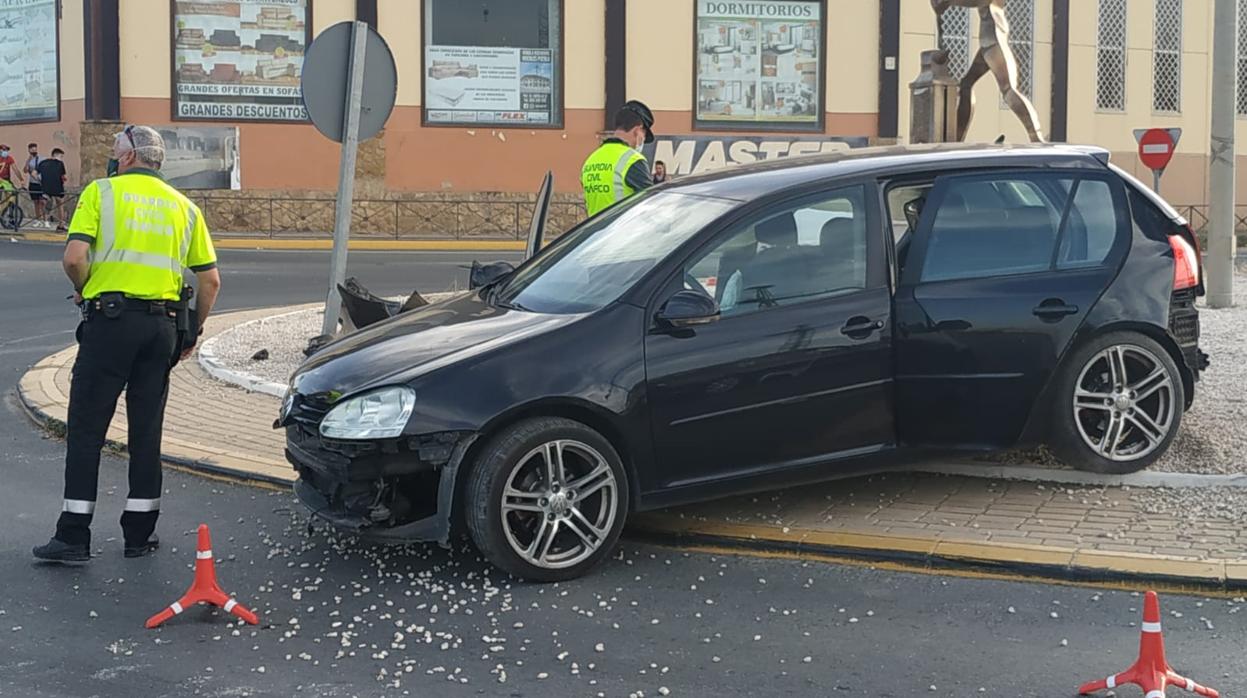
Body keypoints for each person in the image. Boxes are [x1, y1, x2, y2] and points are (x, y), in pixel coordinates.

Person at [33, 125, 222, 563]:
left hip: (110, 324)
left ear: (130, 156)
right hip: (161, 329)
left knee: (86, 429)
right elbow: (209, 280)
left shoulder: (101, 193)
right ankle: (139, 535)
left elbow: (75, 258)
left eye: (117, 151)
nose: (113, 157)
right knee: (146, 430)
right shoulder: (185, 207)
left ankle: (73, 535)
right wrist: (191, 331)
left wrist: (85, 290)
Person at [580, 100, 655, 217]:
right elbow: (651, 205)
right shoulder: (633, 160)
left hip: (596, 234)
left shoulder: (591, 160)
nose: (643, 140)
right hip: (624, 232)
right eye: (644, 135)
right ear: (638, 129)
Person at [36, 148, 68, 231]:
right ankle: (61, 224)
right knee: (60, 205)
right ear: (56, 155)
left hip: (45, 187)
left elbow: (34, 173)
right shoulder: (60, 164)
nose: (61, 158)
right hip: (58, 187)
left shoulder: (42, 163)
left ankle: (45, 220)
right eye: (61, 156)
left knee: (44, 203)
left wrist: (41, 181)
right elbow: (64, 176)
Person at [25, 143, 44, 223]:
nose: (34, 151)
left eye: (35, 149)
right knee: (36, 202)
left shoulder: (41, 159)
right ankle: (38, 219)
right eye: (32, 149)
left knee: (42, 202)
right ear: (29, 150)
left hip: (40, 183)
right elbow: (25, 170)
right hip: (33, 183)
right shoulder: (29, 161)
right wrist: (27, 161)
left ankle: (43, 218)